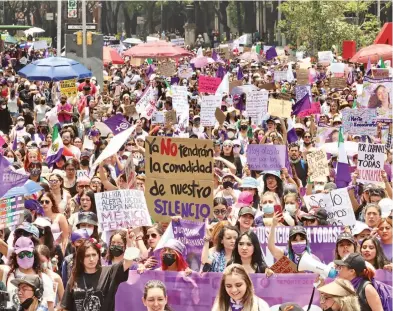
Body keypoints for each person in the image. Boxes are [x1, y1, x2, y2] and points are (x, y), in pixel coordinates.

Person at [60, 231, 140, 311]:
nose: (91, 259)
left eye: (94, 255)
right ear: (80, 259)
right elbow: (66, 307)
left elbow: (128, 262)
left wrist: (129, 243)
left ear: (99, 256)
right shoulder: (74, 277)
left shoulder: (109, 272)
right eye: (87, 256)